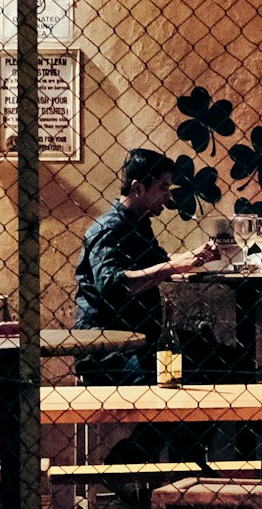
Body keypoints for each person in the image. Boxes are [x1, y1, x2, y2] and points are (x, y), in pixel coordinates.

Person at [74, 147, 218, 385]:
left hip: (142, 340)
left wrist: (198, 255)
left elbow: (160, 262)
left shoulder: (139, 223)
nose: (169, 196)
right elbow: (113, 286)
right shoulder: (109, 228)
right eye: (163, 188)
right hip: (107, 349)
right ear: (137, 188)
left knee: (220, 357)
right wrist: (174, 266)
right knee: (197, 371)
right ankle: (159, 424)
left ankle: (169, 423)